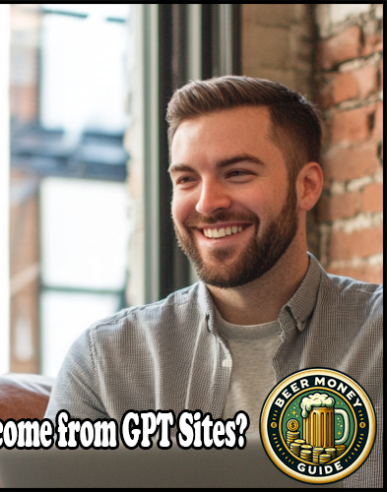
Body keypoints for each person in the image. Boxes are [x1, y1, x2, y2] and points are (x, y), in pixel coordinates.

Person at [44, 76, 382, 487]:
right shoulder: (105, 361)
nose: (207, 203)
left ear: (306, 186)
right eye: (187, 179)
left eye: (237, 173)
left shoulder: (376, 337)